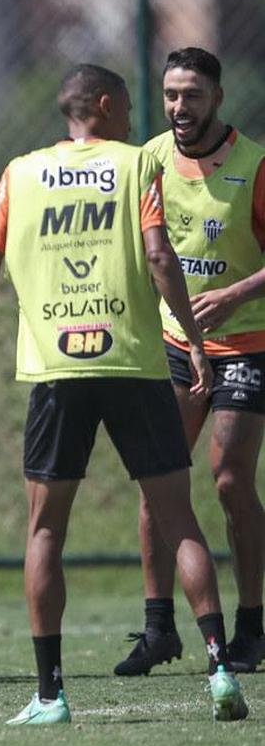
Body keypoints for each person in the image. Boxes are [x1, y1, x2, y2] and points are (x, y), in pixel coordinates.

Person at [0, 63, 247, 723]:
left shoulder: (19, 172)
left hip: (57, 372)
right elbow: (157, 256)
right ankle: (217, 670)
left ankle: (49, 694)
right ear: (101, 105)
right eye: (124, 108)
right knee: (178, 516)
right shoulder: (131, 166)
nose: (131, 120)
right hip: (134, 363)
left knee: (44, 529)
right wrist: (195, 343)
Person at [118, 47, 265, 676]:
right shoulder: (147, 160)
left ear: (218, 99)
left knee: (229, 479)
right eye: (172, 94)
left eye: (193, 95)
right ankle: (159, 629)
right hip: (175, 346)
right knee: (159, 482)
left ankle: (252, 627)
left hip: (249, 344)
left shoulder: (255, 165)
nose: (180, 107)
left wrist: (235, 293)